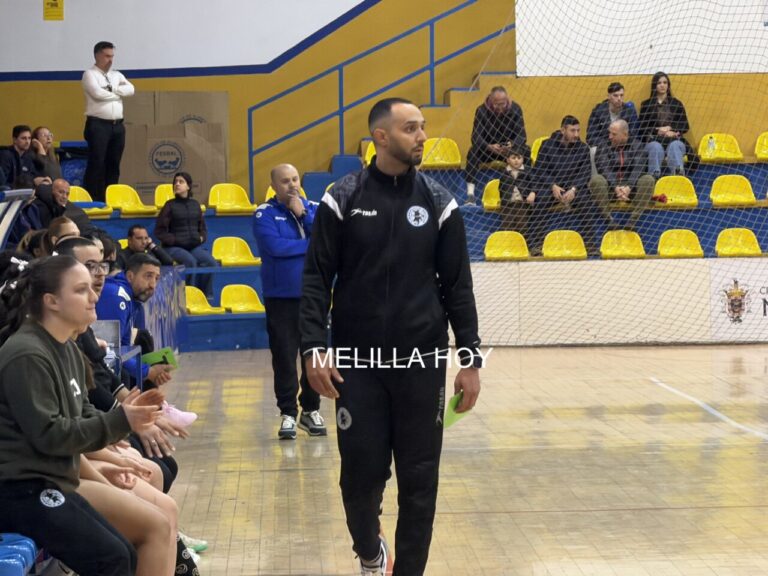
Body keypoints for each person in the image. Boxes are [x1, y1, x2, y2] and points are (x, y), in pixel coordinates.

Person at [300, 97, 482, 576]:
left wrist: (470, 360)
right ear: (381, 137)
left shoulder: (441, 205)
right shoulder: (342, 198)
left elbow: (458, 286)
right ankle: (369, 552)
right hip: (356, 368)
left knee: (420, 485)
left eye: (423, 127)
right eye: (411, 128)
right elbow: (318, 278)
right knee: (358, 482)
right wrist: (313, 348)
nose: (423, 136)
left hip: (422, 368)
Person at [0, 255, 164, 576]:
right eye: (81, 290)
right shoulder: (26, 354)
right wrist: (123, 421)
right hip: (18, 490)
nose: (94, 296)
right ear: (52, 302)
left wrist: (127, 423)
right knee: (112, 558)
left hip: (52, 480)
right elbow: (51, 434)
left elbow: (84, 412)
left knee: (123, 553)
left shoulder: (65, 348)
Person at [254, 163, 325, 439]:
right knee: (284, 358)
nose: (292, 185)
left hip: (314, 296)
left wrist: (304, 215)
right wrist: (311, 245)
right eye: (285, 181)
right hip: (280, 298)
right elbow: (274, 248)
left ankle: (310, 410)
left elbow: (327, 240)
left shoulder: (314, 208)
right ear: (274, 185)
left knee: (315, 356)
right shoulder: (264, 213)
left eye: (295, 179)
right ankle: (287, 413)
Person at [95, 252, 173, 388]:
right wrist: (147, 371)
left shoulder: (130, 298)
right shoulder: (116, 297)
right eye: (148, 276)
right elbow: (110, 352)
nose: (153, 285)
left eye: (156, 278)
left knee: (139, 354)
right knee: (125, 371)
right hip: (91, 362)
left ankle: (153, 405)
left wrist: (148, 370)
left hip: (106, 354)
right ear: (130, 276)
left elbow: (124, 346)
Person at [528, 115, 595, 255]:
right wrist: (552, 185)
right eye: (572, 130)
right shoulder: (547, 145)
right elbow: (539, 169)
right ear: (562, 129)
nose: (576, 134)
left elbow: (585, 172)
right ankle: (535, 244)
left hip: (573, 187)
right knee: (540, 201)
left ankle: (590, 244)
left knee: (587, 202)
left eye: (578, 131)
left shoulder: (583, 148)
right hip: (551, 187)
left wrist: (574, 189)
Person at [82, 41, 134, 202]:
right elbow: (97, 94)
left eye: (112, 56)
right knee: (97, 163)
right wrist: (119, 93)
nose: (110, 60)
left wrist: (113, 90)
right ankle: (93, 199)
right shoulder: (89, 74)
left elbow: (131, 89)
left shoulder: (116, 75)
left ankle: (110, 198)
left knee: (114, 164)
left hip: (117, 126)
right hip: (98, 125)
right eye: (107, 56)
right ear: (97, 55)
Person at [154, 172, 218, 298]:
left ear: (188, 186)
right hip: (173, 248)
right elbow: (159, 231)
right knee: (190, 262)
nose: (177, 184)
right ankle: (188, 297)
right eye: (175, 182)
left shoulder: (195, 205)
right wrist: (174, 240)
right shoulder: (169, 205)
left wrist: (201, 238)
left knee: (211, 263)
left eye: (181, 182)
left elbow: (202, 228)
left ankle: (206, 296)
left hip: (193, 246)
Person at [464, 86, 528, 204]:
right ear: (490, 100)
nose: (499, 108)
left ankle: (527, 192)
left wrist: (512, 145)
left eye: (502, 104)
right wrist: (489, 146)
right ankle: (470, 194)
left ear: (507, 100)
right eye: (496, 104)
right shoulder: (481, 110)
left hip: (509, 152)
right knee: (472, 152)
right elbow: (475, 137)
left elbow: (522, 135)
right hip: (488, 150)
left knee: (526, 151)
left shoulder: (515, 109)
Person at [589, 119, 655, 231]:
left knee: (648, 179)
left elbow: (638, 168)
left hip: (632, 190)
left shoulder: (638, 146)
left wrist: (629, 186)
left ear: (625, 134)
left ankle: (632, 221)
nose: (610, 136)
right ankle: (609, 220)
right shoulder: (603, 146)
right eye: (609, 133)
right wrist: (615, 187)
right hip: (610, 189)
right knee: (596, 180)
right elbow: (604, 168)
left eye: (613, 134)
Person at [637, 71, 690, 177]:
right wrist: (657, 130)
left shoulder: (676, 103)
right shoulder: (646, 105)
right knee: (655, 148)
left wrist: (672, 130)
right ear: (654, 85)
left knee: (675, 146)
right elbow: (642, 128)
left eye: (665, 82)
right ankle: (654, 178)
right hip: (654, 140)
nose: (662, 85)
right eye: (659, 83)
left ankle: (678, 177)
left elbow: (685, 125)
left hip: (674, 139)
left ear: (668, 85)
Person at [586, 82, 639, 173]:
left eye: (621, 95)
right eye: (616, 95)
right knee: (593, 151)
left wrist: (621, 142)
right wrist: (609, 143)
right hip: (604, 146)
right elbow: (590, 137)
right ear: (608, 96)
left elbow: (634, 133)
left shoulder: (629, 111)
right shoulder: (598, 111)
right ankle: (597, 181)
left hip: (625, 145)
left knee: (638, 148)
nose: (619, 99)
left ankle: (628, 182)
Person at [498, 145, 536, 233]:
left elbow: (534, 183)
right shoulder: (504, 172)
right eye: (513, 157)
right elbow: (501, 188)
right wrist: (504, 200)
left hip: (521, 203)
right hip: (507, 204)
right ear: (507, 160)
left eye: (519, 158)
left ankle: (522, 243)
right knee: (507, 226)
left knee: (522, 225)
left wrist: (532, 193)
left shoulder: (527, 171)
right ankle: (509, 245)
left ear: (523, 159)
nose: (516, 160)